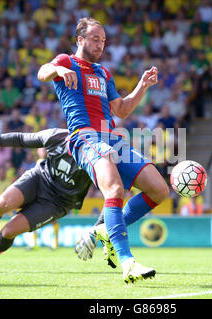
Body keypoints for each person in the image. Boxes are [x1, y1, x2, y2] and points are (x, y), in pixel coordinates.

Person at [37, 17, 169, 284]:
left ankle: (104, 231)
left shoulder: (103, 72)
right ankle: (128, 263)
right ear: (80, 40)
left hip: (113, 137)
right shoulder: (66, 61)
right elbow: (42, 73)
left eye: (104, 40)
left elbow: (120, 109)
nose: (100, 44)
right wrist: (58, 71)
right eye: (95, 39)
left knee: (159, 189)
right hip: (84, 137)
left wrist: (142, 86)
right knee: (115, 190)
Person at [0, 128, 93, 272]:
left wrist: (99, 229)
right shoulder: (57, 136)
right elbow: (21, 139)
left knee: (8, 231)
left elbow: (113, 192)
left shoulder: (95, 158)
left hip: (58, 202)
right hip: (39, 179)